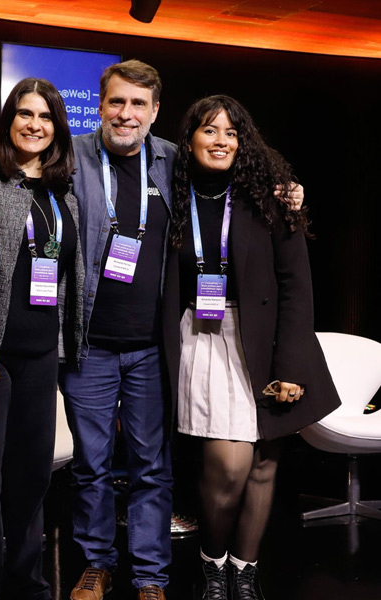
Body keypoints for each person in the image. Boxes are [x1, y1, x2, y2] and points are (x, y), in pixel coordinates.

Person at [162, 95, 340, 600]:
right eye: (209, 131)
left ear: (244, 143)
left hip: (263, 340)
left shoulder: (271, 197)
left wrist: (291, 366)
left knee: (263, 464)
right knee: (230, 466)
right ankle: (212, 563)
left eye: (231, 133)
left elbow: (296, 287)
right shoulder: (171, 195)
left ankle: (243, 572)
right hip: (202, 337)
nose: (221, 141)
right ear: (190, 138)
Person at [0, 77, 84, 600]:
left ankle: (27, 583)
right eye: (25, 114)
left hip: (42, 356)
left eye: (46, 117)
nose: (35, 125)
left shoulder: (65, 196)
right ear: (10, 120)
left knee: (32, 478)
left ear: (57, 127)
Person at [59, 59, 175, 600]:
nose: (126, 114)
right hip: (90, 347)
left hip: (152, 348)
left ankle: (151, 575)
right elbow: (10, 159)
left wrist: (287, 189)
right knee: (92, 466)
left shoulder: (173, 160)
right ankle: (97, 564)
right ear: (101, 104)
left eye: (138, 104)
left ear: (154, 111)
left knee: (152, 466)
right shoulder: (72, 153)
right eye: (116, 102)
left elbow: (236, 176)